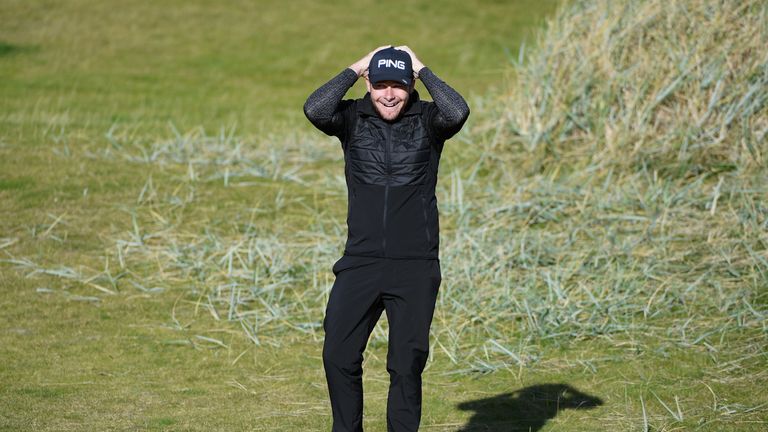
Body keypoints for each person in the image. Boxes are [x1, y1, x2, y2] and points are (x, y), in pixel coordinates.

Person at [304, 45, 470, 432]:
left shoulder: (430, 120)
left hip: (416, 266)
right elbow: (315, 108)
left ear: (411, 85)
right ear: (369, 84)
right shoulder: (350, 118)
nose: (389, 94)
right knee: (338, 355)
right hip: (360, 262)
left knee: (406, 364)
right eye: (381, 85)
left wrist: (421, 66)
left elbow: (458, 110)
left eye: (398, 84)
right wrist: (357, 65)